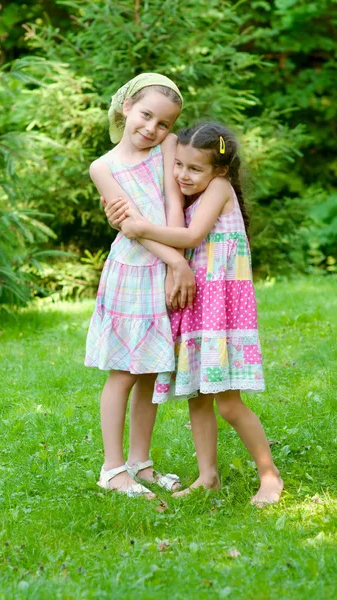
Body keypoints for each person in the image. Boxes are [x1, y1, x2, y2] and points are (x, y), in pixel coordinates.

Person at [107, 122, 283, 505]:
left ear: (219, 170)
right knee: (199, 398)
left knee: (230, 402)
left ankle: (270, 476)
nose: (183, 175)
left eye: (194, 169)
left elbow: (190, 239)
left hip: (222, 309)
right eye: (179, 166)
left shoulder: (219, 190)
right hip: (199, 307)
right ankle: (208, 477)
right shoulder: (192, 194)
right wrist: (125, 220)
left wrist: (138, 227)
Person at [85, 73, 196, 497]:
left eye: (163, 123)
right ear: (127, 106)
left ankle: (140, 463)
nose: (152, 128)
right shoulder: (104, 167)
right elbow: (130, 226)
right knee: (123, 373)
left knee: (150, 369)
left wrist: (176, 263)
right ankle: (113, 470)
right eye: (146, 115)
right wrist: (176, 262)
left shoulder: (165, 150)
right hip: (132, 273)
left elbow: (172, 199)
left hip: (166, 268)